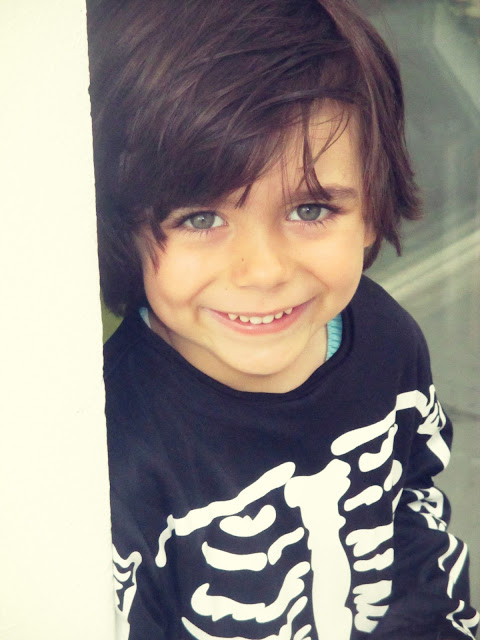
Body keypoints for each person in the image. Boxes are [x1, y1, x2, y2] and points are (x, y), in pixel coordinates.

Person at [87, 0, 479, 638]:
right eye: (200, 218)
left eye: (311, 209)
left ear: (372, 208)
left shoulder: (388, 341)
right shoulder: (113, 441)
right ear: (121, 230)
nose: (264, 270)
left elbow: (414, 517)